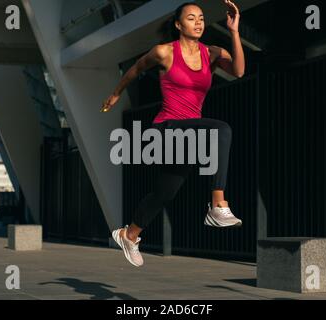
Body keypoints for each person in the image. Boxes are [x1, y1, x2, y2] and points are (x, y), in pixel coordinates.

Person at [101, 0, 246, 267]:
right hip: (165, 130)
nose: (198, 22)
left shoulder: (212, 53)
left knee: (165, 193)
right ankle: (218, 203)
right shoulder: (164, 52)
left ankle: (129, 234)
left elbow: (238, 71)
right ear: (179, 24)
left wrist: (235, 31)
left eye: (201, 18)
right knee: (221, 130)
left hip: (189, 136)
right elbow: (136, 68)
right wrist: (115, 93)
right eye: (191, 18)